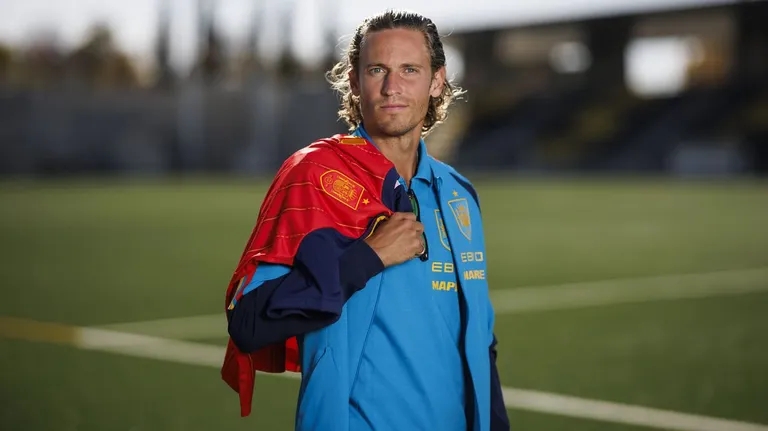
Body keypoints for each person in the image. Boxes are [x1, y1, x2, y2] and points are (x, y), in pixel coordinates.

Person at [221, 9, 509, 431]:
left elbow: (482, 342)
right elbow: (249, 323)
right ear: (355, 82)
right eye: (377, 70)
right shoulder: (314, 175)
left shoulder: (457, 193)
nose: (392, 87)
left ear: (437, 81)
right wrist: (366, 258)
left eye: (409, 70)